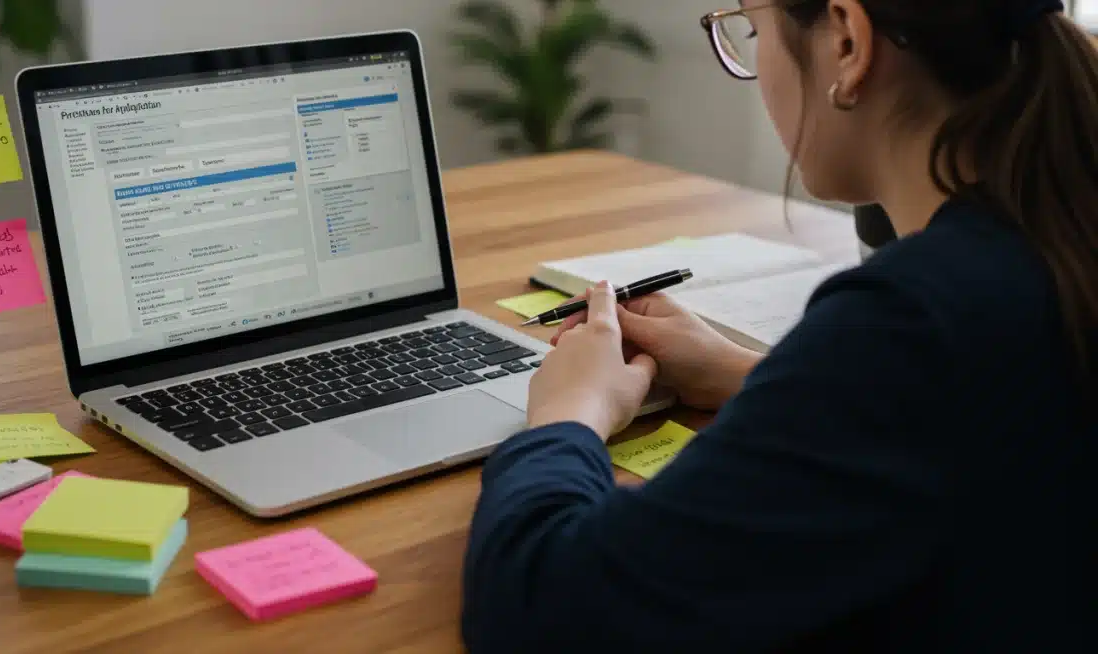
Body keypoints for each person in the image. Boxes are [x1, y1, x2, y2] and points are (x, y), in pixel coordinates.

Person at [461, 0, 1097, 651]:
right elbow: (970, 416)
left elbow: (541, 608)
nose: (755, 64)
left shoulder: (916, 321)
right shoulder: (1051, 236)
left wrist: (569, 412)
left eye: (752, 30)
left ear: (848, 42)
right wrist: (750, 377)